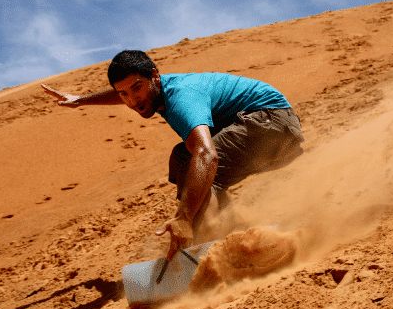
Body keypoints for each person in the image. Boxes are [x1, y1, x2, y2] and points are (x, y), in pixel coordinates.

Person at [42, 50, 304, 261]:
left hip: (271, 123)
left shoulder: (180, 99)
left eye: (137, 88)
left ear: (155, 76)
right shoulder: (155, 88)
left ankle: (211, 247)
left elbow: (207, 155)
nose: (133, 101)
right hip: (272, 127)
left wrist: (183, 218)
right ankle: (231, 234)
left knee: (201, 170)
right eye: (124, 94)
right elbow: (126, 90)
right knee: (182, 158)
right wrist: (81, 99)